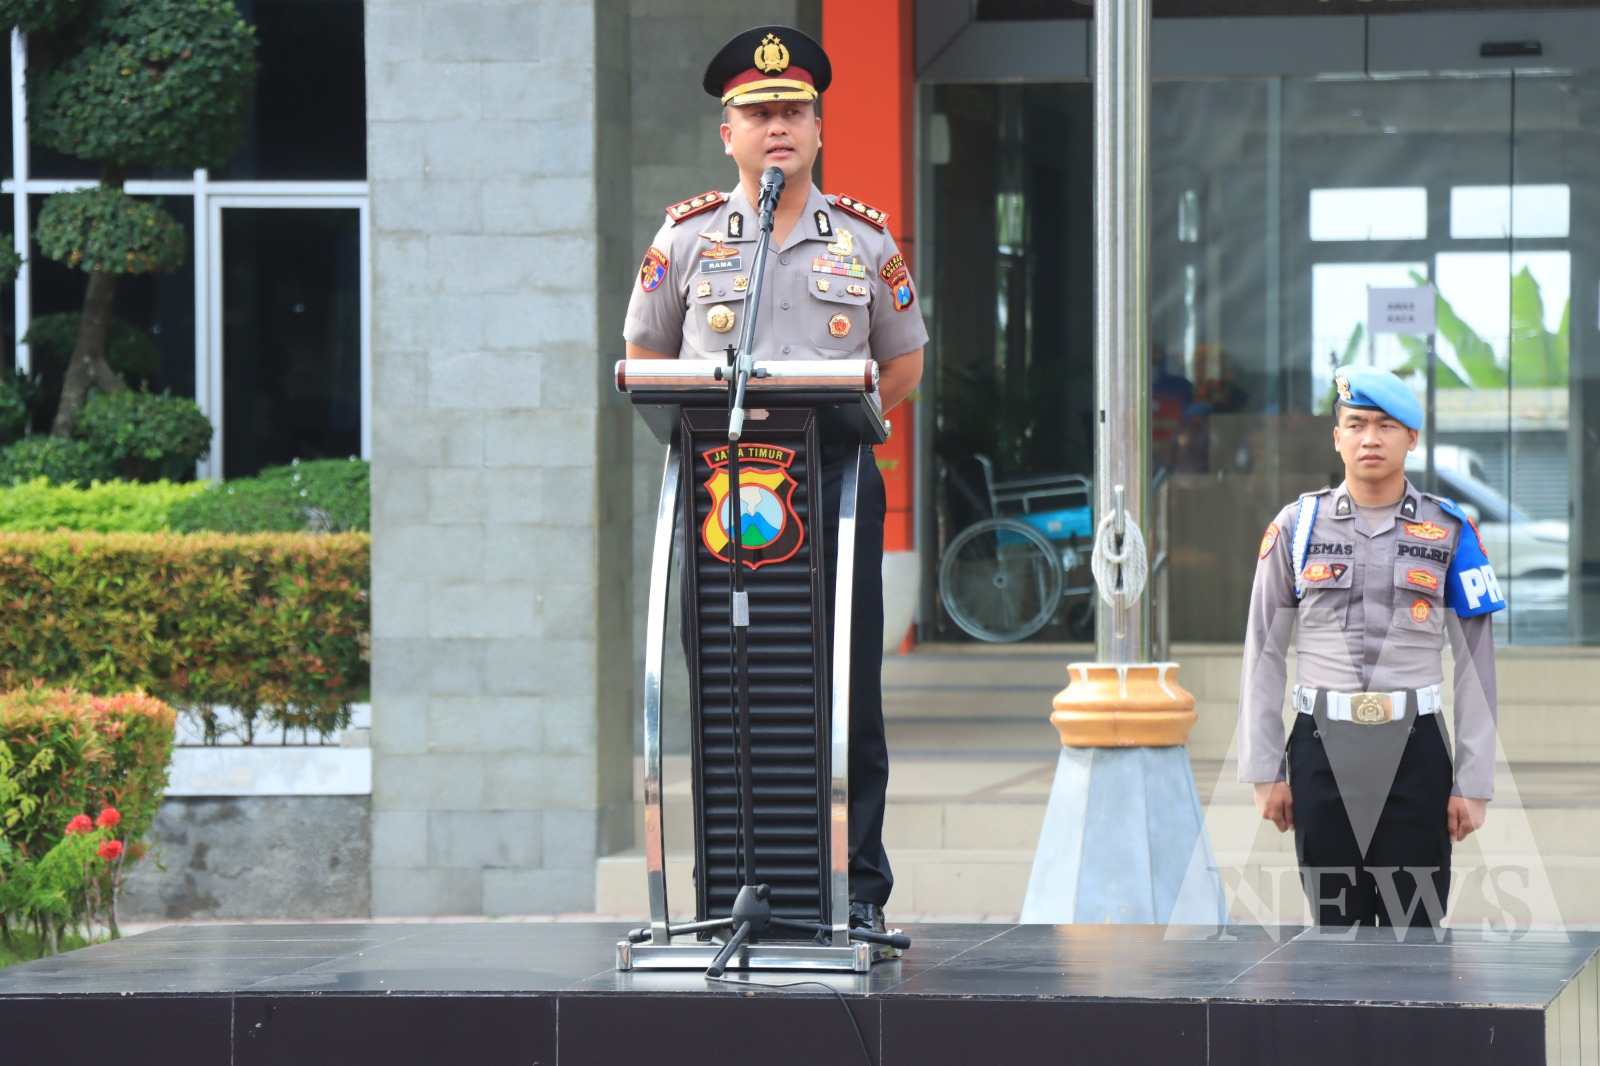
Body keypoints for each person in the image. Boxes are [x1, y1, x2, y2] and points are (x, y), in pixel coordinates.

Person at [621, 25, 927, 936]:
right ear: (730, 135)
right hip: (721, 492)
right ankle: (731, 886)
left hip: (830, 485)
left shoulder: (865, 239)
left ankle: (856, 891)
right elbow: (644, 358)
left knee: (843, 688)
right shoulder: (687, 238)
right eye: (758, 115)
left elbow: (903, 366)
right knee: (729, 685)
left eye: (794, 111)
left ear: (820, 129)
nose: (778, 127)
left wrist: (833, 423)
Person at [1237, 366, 1502, 931]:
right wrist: (1265, 770)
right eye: (1356, 424)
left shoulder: (1451, 531)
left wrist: (1473, 782)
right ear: (1337, 437)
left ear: (1412, 438)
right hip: (1320, 748)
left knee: (1415, 930)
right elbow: (1263, 652)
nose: (1370, 438)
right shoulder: (1296, 528)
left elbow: (1476, 665)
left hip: (1415, 750)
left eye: (1386, 426)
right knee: (1334, 933)